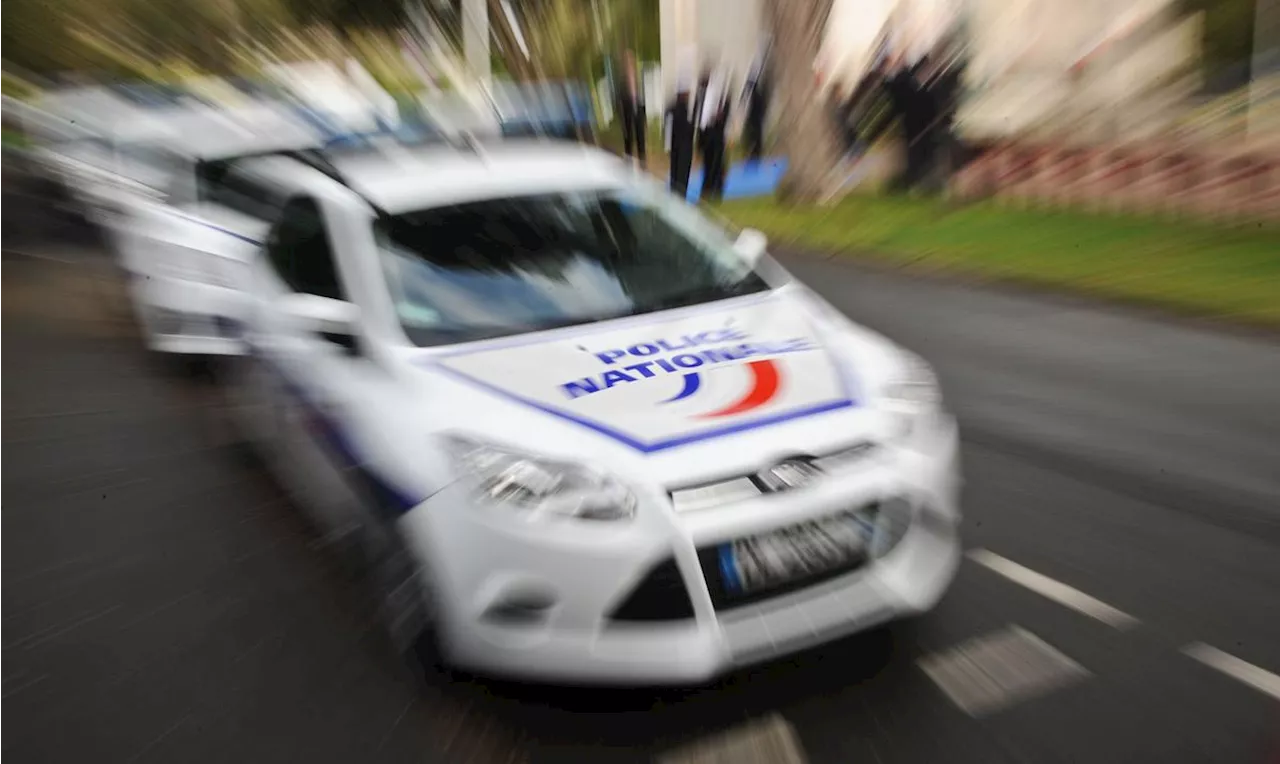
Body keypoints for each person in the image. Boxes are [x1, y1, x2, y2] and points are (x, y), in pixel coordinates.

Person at [697, 67, 730, 202]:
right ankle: (707, 188)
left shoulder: (720, 97)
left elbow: (724, 114)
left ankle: (717, 189)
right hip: (707, 133)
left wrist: (719, 118)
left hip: (716, 134)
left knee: (717, 162)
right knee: (708, 162)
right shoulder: (702, 96)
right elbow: (701, 117)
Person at [664, 74, 696, 199]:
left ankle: (681, 195)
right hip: (677, 145)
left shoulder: (688, 108)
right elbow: (668, 128)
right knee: (677, 173)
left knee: (683, 173)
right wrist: (668, 146)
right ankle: (677, 196)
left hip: (685, 145)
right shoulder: (673, 108)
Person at [616, 51, 646, 165]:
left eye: (631, 60)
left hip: (638, 111)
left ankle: (642, 161)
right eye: (628, 61)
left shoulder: (638, 78)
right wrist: (622, 117)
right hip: (627, 113)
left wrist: (644, 114)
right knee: (628, 137)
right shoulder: (622, 81)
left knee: (640, 137)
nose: (630, 63)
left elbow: (643, 97)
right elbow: (619, 100)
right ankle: (628, 161)